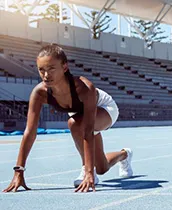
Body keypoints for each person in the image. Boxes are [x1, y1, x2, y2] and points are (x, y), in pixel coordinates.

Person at [3, 44, 133, 193]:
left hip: (105, 108)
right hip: (81, 117)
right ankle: (125, 154)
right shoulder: (39, 93)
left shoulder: (84, 88)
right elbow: (30, 132)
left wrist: (89, 172)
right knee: (102, 167)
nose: (46, 75)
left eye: (51, 68)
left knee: (75, 124)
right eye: (41, 70)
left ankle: (86, 170)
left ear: (65, 67)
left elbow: (88, 130)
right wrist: (18, 171)